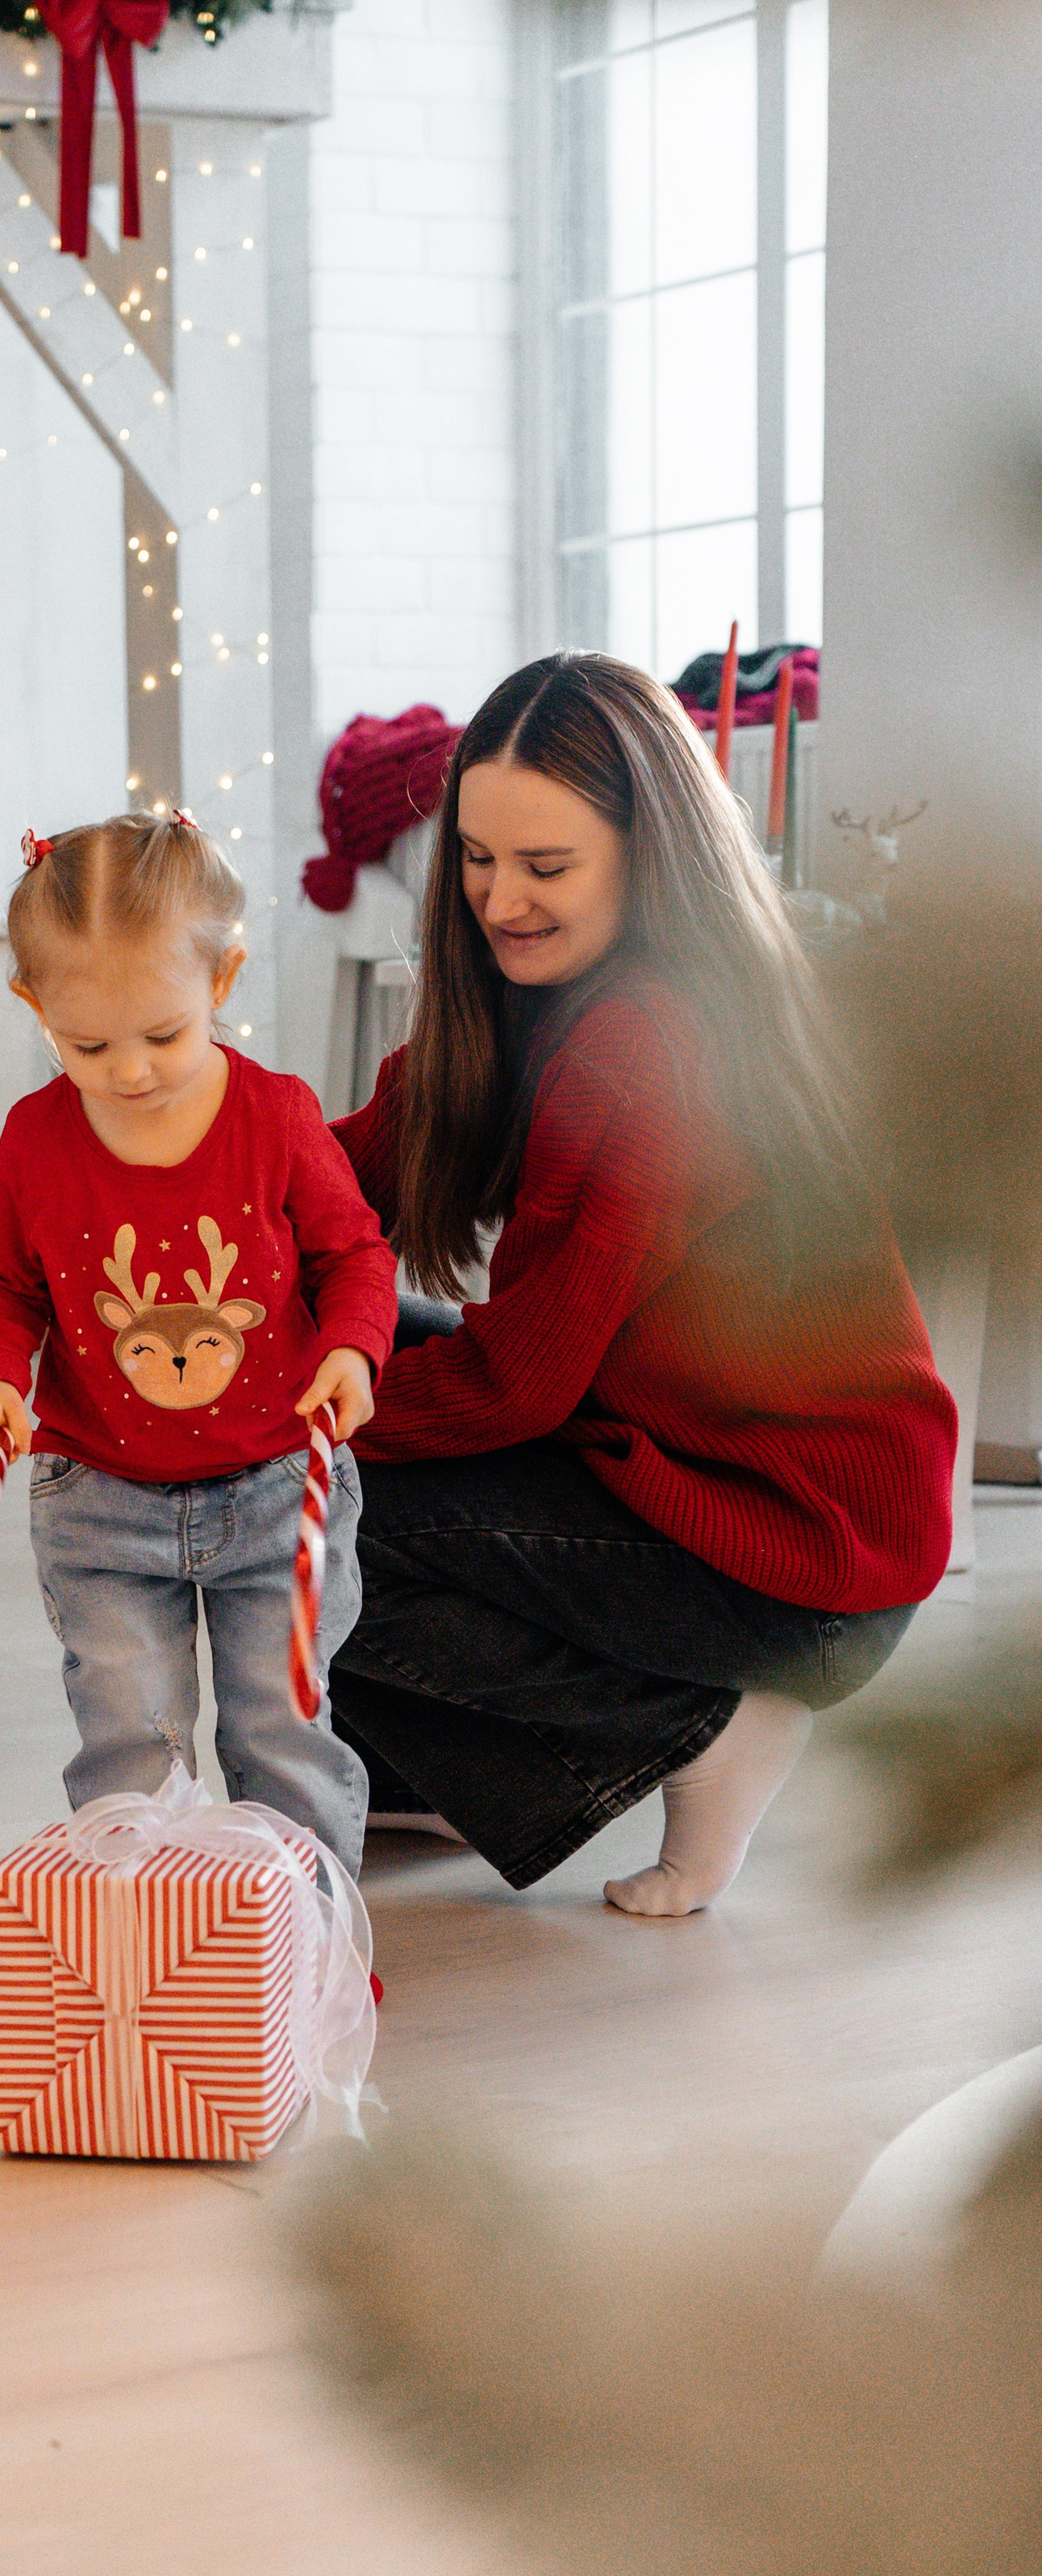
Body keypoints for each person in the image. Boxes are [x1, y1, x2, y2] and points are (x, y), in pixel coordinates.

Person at [327, 651, 957, 1915]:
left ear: (648, 850)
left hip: (799, 1558)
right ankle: (465, 1764)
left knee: (305, 1504)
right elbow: (341, 1182)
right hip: (678, 1459)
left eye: (546, 867)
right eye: (479, 859)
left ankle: (700, 1726)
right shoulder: (530, 998)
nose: (500, 900)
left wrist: (267, 1411)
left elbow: (518, 1380)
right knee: (349, 1353)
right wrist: (186, 1180)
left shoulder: (644, 1041)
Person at [0, 813, 399, 1879]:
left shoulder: (278, 1118)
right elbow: (2, 1285)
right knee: (128, 1744)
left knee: (279, 1736)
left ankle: (306, 1942)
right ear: (34, 1008)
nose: (131, 1072)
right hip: (99, 1501)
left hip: (274, 1491)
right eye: (89, 1044)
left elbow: (357, 1258)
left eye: (162, 1034)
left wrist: (352, 1351)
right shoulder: (33, 1138)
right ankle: (146, 1957)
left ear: (224, 977)